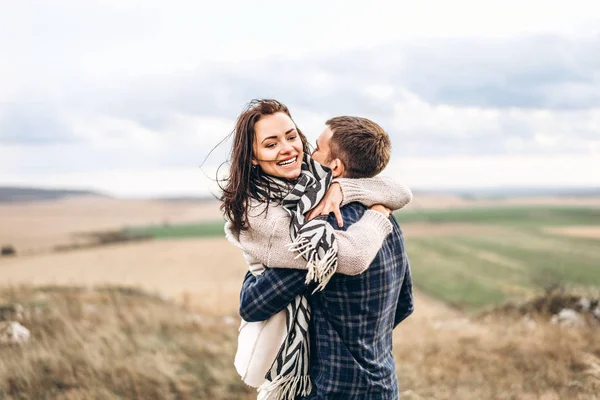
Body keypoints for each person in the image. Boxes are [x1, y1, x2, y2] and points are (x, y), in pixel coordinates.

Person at [221, 99, 412, 399]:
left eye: (293, 136)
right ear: (252, 157)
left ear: (335, 165)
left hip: (330, 387)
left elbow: (253, 304)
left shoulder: (316, 228)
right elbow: (405, 304)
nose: (299, 150)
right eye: (271, 143)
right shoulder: (386, 216)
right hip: (383, 383)